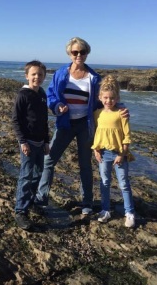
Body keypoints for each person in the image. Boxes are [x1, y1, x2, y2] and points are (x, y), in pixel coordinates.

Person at [35, 37, 128, 215]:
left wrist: (121, 109)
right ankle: (41, 197)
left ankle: (87, 203)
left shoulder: (94, 78)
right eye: (75, 52)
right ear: (69, 54)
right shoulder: (61, 73)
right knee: (49, 160)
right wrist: (56, 106)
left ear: (87, 53)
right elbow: (51, 95)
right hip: (64, 124)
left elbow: (106, 100)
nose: (79, 55)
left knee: (85, 164)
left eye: (82, 52)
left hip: (85, 125)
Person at [91, 75, 136, 228]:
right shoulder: (97, 114)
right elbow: (98, 134)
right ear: (99, 97)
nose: (108, 101)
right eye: (105, 98)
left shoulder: (121, 114)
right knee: (104, 182)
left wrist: (122, 154)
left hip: (119, 155)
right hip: (103, 154)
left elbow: (127, 136)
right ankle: (105, 210)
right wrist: (96, 150)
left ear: (117, 98)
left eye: (111, 98)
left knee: (123, 183)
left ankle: (129, 213)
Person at [12, 60, 50, 230]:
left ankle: (31, 202)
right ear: (27, 76)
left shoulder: (42, 93)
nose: (37, 77)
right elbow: (16, 120)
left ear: (44, 77)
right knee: (26, 176)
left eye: (40, 74)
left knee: (37, 174)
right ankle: (21, 211)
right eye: (33, 74)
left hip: (41, 143)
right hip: (28, 143)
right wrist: (22, 141)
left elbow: (44, 120)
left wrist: (47, 141)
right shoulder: (23, 95)